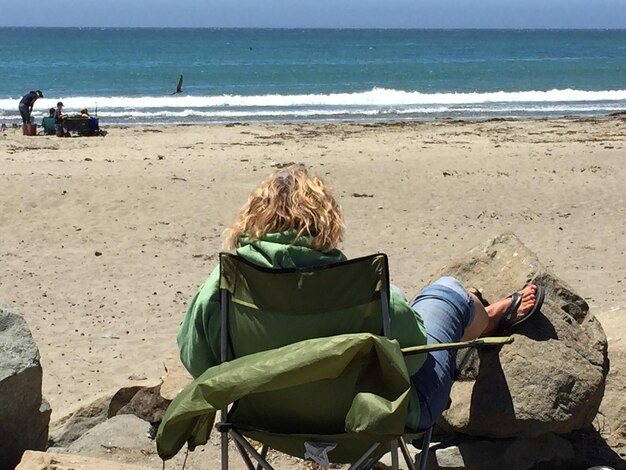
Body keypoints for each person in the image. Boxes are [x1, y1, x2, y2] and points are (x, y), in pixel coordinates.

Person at [177, 164, 542, 433]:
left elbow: (198, 361)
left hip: (264, 419)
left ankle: (481, 316)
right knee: (446, 291)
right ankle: (485, 318)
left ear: (253, 218)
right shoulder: (356, 284)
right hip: (373, 419)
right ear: (326, 220)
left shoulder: (226, 283)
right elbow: (414, 360)